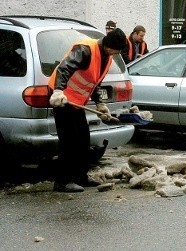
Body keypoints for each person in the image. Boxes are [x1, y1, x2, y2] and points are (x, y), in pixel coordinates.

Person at [48, 28, 127, 192]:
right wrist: (58, 91)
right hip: (62, 98)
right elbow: (64, 69)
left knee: (83, 139)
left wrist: (100, 103)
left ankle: (80, 177)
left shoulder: (107, 57)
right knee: (69, 141)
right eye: (117, 50)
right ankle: (62, 181)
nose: (117, 54)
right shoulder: (85, 49)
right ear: (109, 46)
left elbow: (94, 82)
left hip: (76, 101)